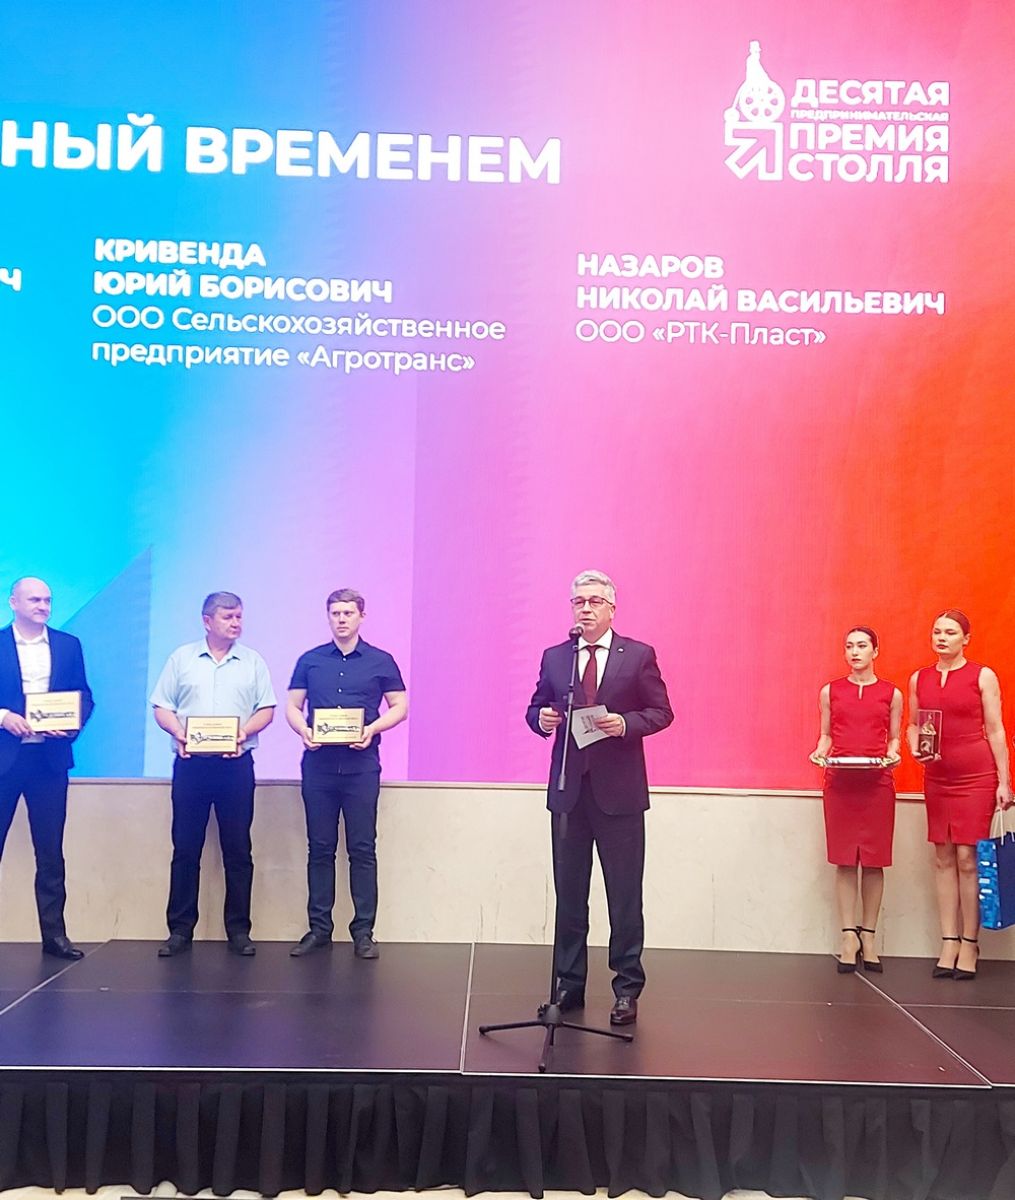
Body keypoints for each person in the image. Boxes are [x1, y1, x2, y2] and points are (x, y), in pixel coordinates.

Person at [526, 569, 673, 1025]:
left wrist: (626, 724)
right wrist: (541, 720)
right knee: (569, 896)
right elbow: (535, 706)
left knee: (624, 896)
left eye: (594, 601)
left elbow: (661, 712)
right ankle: (568, 985)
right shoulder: (556, 657)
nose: (585, 609)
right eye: (579, 602)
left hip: (620, 795)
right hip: (569, 793)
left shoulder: (638, 655)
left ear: (612, 608)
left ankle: (626, 988)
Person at [149, 592, 276, 957]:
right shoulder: (181, 659)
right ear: (207, 621)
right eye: (228, 617)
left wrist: (243, 733)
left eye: (239, 616)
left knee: (238, 849)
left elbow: (266, 709)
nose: (236, 623)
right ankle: (179, 930)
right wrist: (178, 732)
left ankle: (239, 930)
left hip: (235, 766)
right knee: (185, 849)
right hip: (191, 765)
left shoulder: (252, 661)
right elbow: (162, 706)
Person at [286, 588, 407, 959]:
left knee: (362, 849)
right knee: (320, 849)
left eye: (348, 613)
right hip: (319, 767)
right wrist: (303, 730)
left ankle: (364, 932)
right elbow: (293, 706)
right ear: (328, 617)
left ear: (361, 617)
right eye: (335, 613)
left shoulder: (381, 660)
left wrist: (373, 728)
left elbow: (400, 706)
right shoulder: (310, 660)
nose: (341, 619)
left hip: (361, 767)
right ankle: (319, 929)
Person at [908, 610, 1012, 980]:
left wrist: (1004, 781)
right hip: (937, 776)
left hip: (977, 775)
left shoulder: (982, 676)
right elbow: (913, 725)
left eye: (950, 632)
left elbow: (996, 729)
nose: (942, 638)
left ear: (965, 638)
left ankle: (970, 942)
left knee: (968, 857)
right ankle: (948, 940)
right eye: (937, 631)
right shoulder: (919, 678)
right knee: (943, 855)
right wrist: (915, 747)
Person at [0, 577, 94, 959]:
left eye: (47, 600)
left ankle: (54, 936)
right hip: (5, 760)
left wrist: (70, 725)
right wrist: (3, 716)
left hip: (49, 761)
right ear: (13, 602)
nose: (43, 606)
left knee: (51, 852)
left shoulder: (69, 645)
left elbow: (84, 696)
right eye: (34, 599)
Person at [810, 627, 902, 973]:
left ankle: (870, 937)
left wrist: (894, 754)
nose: (855, 652)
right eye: (849, 646)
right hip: (840, 783)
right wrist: (819, 752)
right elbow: (825, 735)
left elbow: (894, 739)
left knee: (875, 862)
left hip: (877, 783)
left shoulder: (891, 693)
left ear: (875, 651)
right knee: (845, 861)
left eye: (862, 645)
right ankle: (848, 936)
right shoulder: (830, 691)